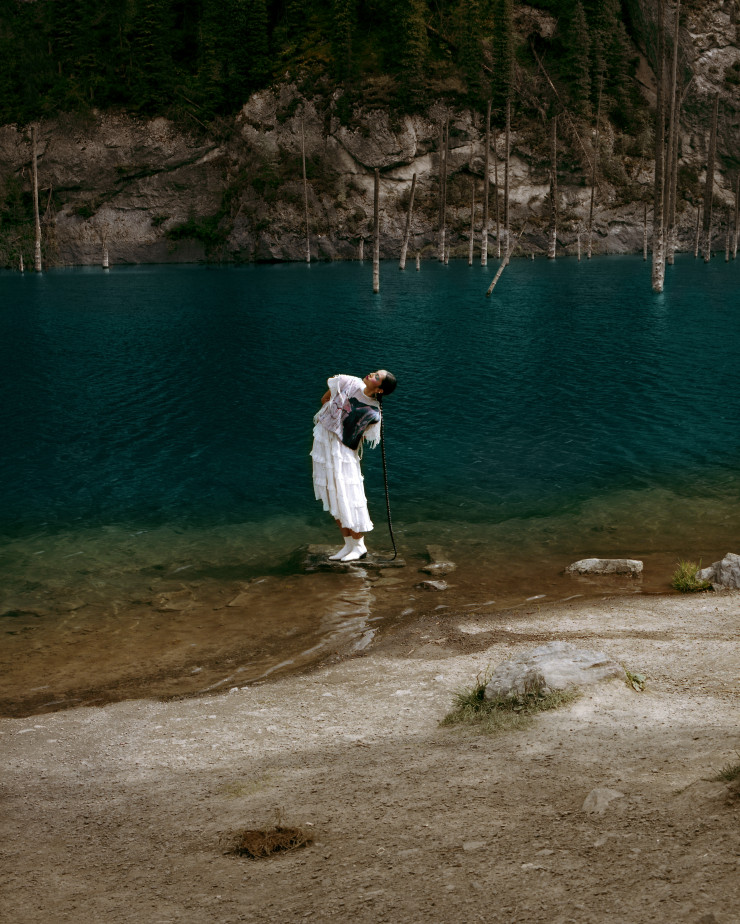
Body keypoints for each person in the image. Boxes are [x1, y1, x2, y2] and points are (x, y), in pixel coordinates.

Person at [311, 369, 397, 561]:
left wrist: (343, 433)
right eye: (375, 372)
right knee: (332, 494)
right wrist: (335, 421)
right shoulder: (347, 382)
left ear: (380, 390)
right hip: (325, 441)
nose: (372, 374)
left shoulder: (373, 412)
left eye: (377, 377)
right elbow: (325, 400)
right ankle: (348, 544)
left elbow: (361, 436)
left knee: (346, 495)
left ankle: (359, 546)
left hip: (344, 453)